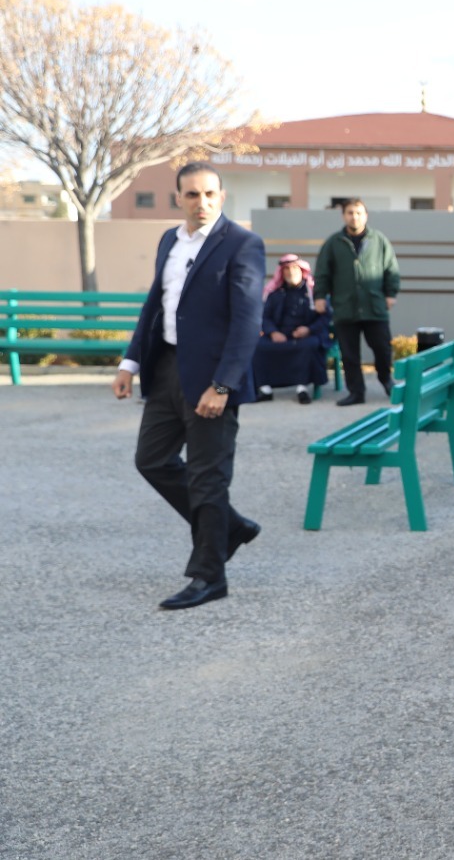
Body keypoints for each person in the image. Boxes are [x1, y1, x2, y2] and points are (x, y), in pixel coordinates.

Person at [112, 162, 265, 610]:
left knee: (206, 478)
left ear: (222, 196)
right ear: (179, 198)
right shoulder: (169, 240)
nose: (202, 203)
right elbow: (155, 306)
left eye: (210, 194)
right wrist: (129, 363)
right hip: (166, 369)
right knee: (152, 460)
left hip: (212, 378)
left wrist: (223, 385)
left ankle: (209, 576)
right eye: (193, 194)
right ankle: (230, 528)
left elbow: (247, 321)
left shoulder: (242, 244)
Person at [313, 198, 400, 407]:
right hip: (345, 307)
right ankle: (356, 392)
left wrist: (390, 294)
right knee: (350, 354)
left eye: (359, 213)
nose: (355, 217)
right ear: (344, 216)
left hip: (374, 306)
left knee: (382, 348)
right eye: (350, 213)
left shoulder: (378, 240)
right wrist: (319, 296)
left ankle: (386, 380)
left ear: (366, 215)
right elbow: (322, 272)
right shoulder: (333, 243)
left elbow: (391, 269)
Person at [253, 254, 330, 403]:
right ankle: (265, 389)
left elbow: (325, 318)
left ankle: (302, 389)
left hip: (306, 335)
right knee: (258, 346)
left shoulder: (314, 292)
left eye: (294, 268)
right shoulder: (275, 293)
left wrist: (308, 329)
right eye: (286, 269)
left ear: (302, 271)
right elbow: (264, 317)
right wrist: (273, 332)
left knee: (308, 346)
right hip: (280, 334)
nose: (290, 272)